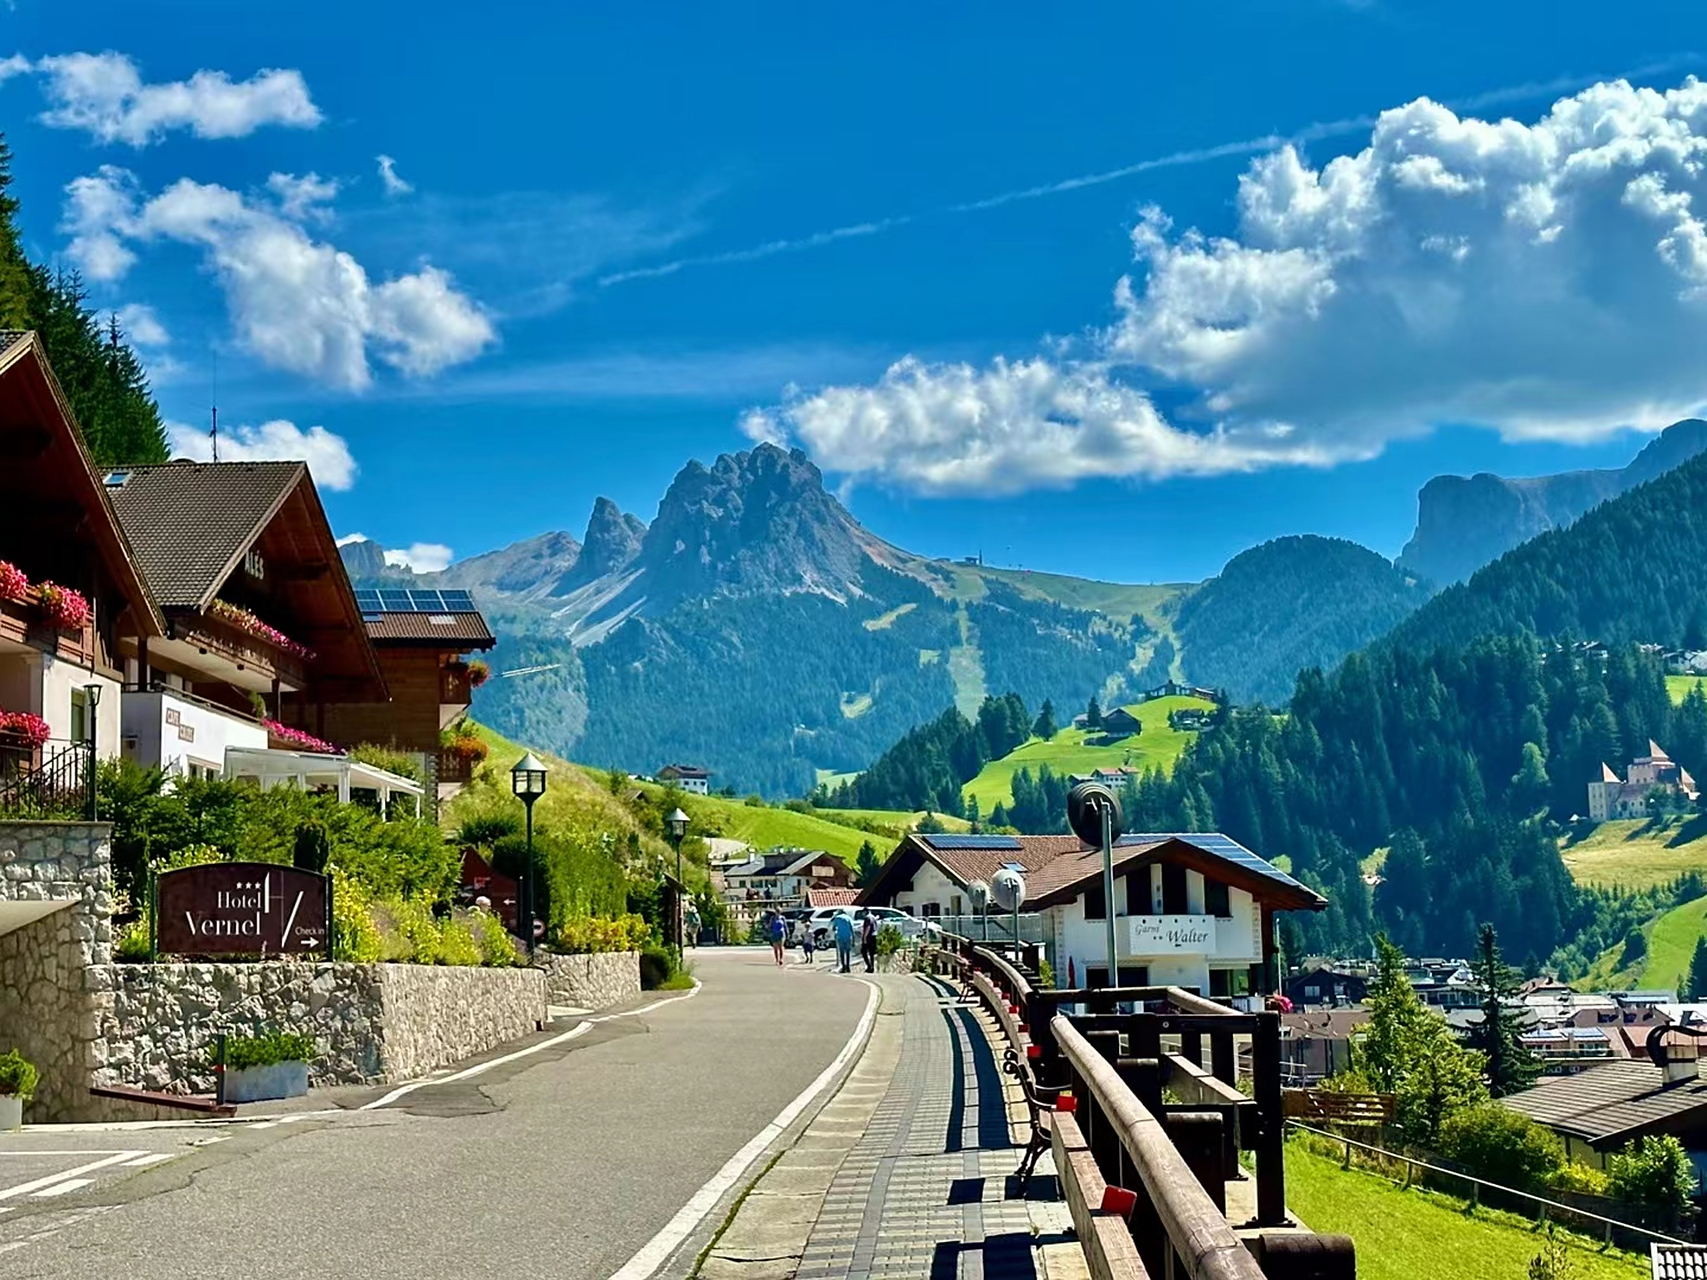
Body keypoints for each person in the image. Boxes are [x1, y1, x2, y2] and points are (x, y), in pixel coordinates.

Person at [831, 909, 855, 974]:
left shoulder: (837, 918)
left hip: (840, 936)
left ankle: (843, 966)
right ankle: (848, 967)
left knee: (842, 952)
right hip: (848, 936)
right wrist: (853, 939)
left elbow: (833, 927)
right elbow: (852, 928)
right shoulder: (849, 918)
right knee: (848, 952)